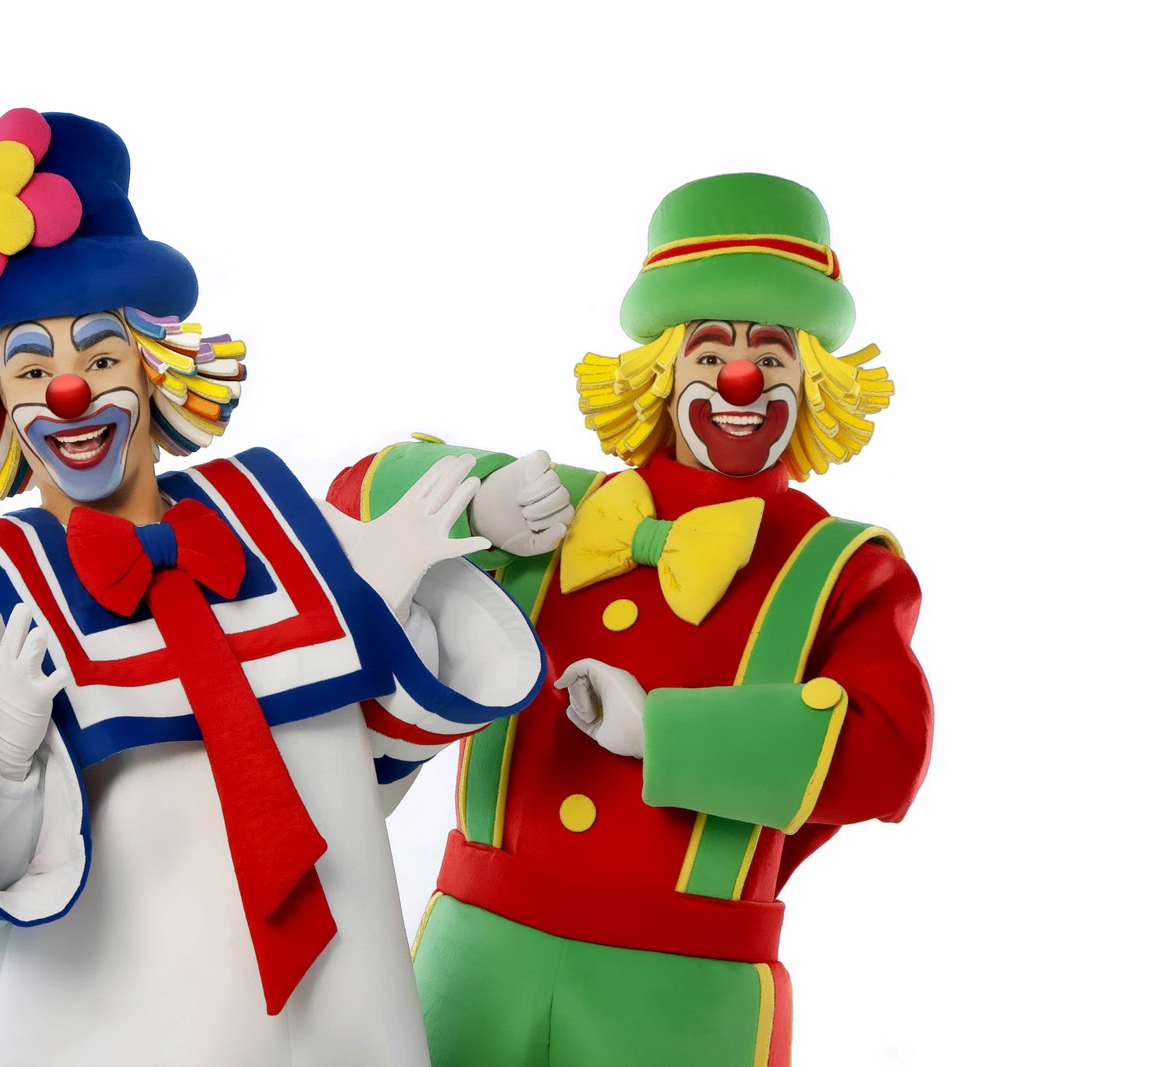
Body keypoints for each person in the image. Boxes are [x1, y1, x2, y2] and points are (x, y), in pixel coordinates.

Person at [0, 108, 544, 1066]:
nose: (70, 392)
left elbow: (363, 785)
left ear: (155, 371)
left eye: (101, 358)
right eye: (32, 368)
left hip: (336, 1029)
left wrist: (384, 614)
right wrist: (1, 751)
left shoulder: (281, 529)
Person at [329, 173, 933, 1066]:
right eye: (709, 352)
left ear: (815, 383)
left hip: (684, 995)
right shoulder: (555, 502)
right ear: (661, 373)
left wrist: (664, 731)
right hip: (474, 960)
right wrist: (476, 506)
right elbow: (350, 500)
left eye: (772, 356)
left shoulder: (842, 563)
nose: (740, 378)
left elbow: (889, 752)